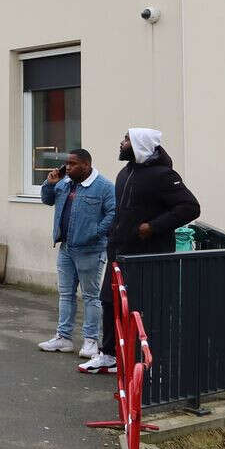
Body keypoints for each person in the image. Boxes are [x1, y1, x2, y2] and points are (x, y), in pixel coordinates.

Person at [80, 127, 200, 373]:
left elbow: (190, 207)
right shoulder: (125, 173)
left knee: (145, 308)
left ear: (139, 145)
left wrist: (153, 227)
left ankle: (151, 360)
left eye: (126, 140)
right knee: (109, 303)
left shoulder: (164, 175)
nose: (121, 143)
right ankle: (110, 354)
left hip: (147, 256)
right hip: (119, 252)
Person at [37, 149, 115, 359]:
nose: (68, 167)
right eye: (67, 164)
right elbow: (48, 200)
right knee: (66, 294)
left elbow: (113, 213)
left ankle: (91, 340)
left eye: (73, 164)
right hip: (66, 248)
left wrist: (95, 233)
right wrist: (50, 183)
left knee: (90, 296)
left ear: (86, 166)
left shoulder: (104, 187)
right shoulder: (64, 183)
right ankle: (63, 338)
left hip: (90, 250)